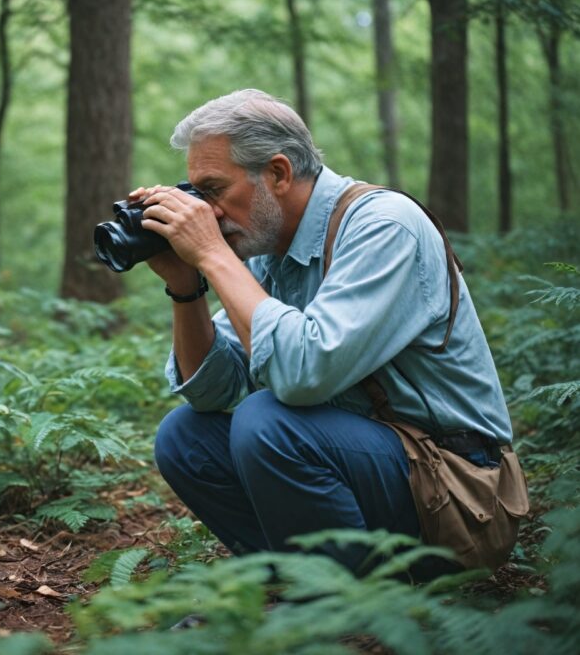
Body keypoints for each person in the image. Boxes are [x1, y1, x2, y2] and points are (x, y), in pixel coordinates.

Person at [132, 89, 518, 573]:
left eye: (212, 190)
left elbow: (302, 375)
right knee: (184, 437)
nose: (205, 212)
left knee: (268, 421)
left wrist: (211, 254)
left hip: (459, 492)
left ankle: (337, 607)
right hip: (378, 467)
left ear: (277, 173)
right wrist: (187, 287)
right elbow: (211, 394)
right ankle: (298, 584)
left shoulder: (384, 227)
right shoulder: (268, 247)